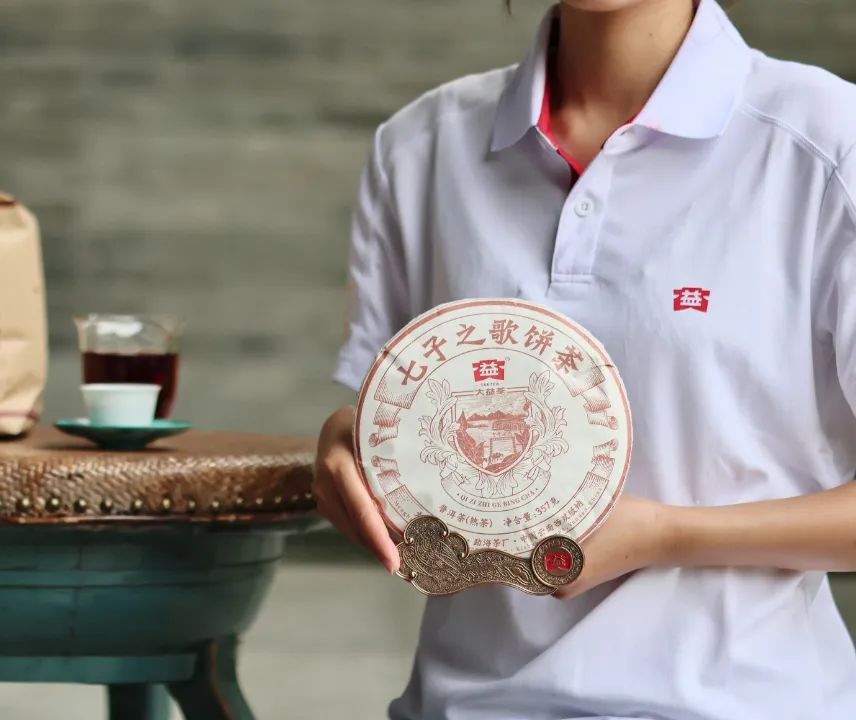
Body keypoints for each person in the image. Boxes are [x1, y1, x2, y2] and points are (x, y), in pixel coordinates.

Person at [313, 0, 856, 717]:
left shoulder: (828, 142)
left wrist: (664, 536)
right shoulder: (420, 146)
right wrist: (347, 443)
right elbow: (401, 428)